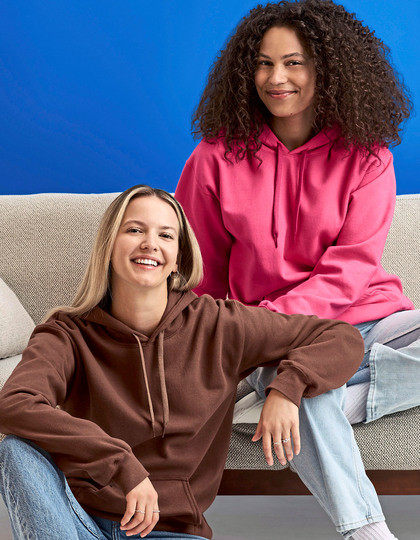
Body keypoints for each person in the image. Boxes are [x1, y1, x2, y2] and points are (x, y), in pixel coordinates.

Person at [175, 1, 420, 539]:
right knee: (295, 374)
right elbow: (198, 271)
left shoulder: (368, 156)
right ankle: (367, 532)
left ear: (327, 70)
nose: (275, 78)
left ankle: (317, 396)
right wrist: (225, 345)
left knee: (310, 386)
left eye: (294, 63)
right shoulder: (213, 159)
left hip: (366, 320)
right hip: (269, 337)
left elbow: (350, 269)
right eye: (263, 63)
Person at [0, 185, 363, 540]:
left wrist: (287, 389)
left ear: (178, 258)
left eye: (165, 235)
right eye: (135, 230)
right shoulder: (67, 333)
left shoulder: (219, 325)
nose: (150, 243)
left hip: (170, 530)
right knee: (16, 450)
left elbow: (340, 337)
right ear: (108, 246)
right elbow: (14, 403)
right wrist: (120, 462)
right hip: (77, 521)